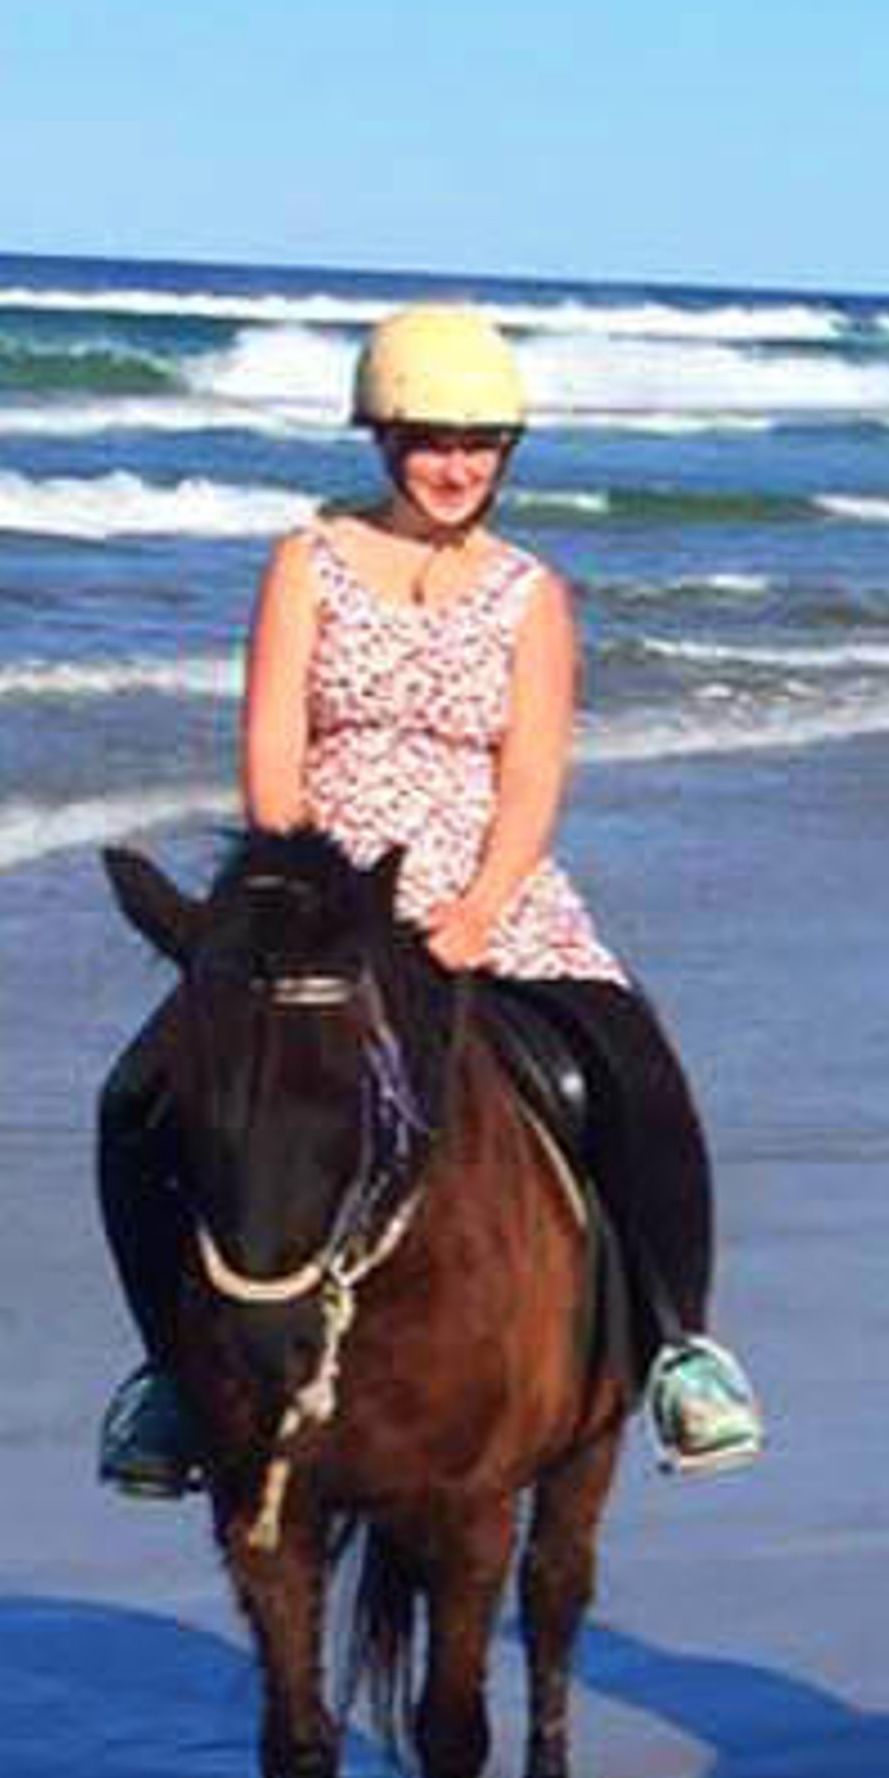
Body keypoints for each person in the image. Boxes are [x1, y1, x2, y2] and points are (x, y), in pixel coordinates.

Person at [95, 304, 765, 1495]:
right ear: (382, 440)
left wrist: (471, 912)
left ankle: (679, 1347)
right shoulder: (306, 562)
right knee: (141, 1093)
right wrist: (297, 902)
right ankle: (167, 1379)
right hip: (314, 898)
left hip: (486, 890)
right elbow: (270, 751)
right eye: (428, 439)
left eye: (479, 443)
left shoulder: (530, 594)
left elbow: (535, 774)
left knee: (631, 1070)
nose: (456, 466)